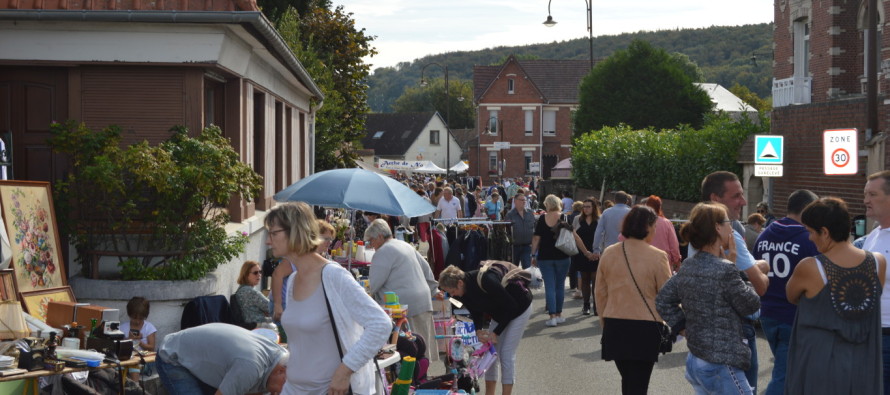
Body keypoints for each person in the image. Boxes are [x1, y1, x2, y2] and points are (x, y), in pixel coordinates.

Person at [266, 202, 391, 394]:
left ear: (294, 232)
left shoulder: (333, 276)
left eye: (273, 233)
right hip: (294, 389)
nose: (268, 241)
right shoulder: (292, 281)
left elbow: (380, 323)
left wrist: (345, 371)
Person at [656, 202, 761, 394]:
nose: (732, 226)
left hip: (697, 359)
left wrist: (682, 327)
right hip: (722, 365)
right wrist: (738, 270)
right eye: (728, 222)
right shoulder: (726, 269)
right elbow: (751, 305)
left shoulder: (689, 265)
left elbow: (663, 299)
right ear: (717, 227)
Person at [785, 198, 886, 394]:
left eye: (810, 232)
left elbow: (792, 295)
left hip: (819, 363)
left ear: (824, 232)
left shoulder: (810, 267)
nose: (809, 238)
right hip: (864, 361)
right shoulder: (878, 262)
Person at [699, 171, 769, 391]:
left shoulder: (696, 234)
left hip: (703, 333)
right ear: (715, 199)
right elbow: (760, 286)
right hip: (737, 332)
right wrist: (762, 267)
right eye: (736, 196)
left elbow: (667, 297)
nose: (744, 201)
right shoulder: (730, 234)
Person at [596, 205, 671, 394]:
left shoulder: (609, 252)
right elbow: (666, 295)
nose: (655, 231)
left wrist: (604, 321)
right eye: (654, 227)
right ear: (648, 226)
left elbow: (600, 292)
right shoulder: (658, 256)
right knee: (638, 384)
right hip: (645, 327)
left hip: (615, 323)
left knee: (628, 380)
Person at [752, 189, 819, 395]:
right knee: (784, 375)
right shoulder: (808, 238)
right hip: (794, 314)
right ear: (807, 210)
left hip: (767, 312)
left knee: (787, 369)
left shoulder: (764, 235)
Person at [439, 264, 532, 395]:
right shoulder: (463, 291)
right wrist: (478, 330)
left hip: (520, 308)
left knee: (506, 354)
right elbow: (475, 310)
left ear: (459, 283)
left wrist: (496, 332)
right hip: (499, 313)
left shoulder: (486, 280)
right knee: (490, 353)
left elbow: (512, 307)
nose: (452, 295)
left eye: (452, 291)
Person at [365, 218, 440, 360]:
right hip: (422, 300)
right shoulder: (404, 245)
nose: (371, 245)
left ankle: (415, 378)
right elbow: (426, 268)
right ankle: (423, 376)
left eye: (371, 241)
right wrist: (434, 289)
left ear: (380, 236)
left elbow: (373, 285)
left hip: (405, 306)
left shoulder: (382, 252)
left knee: (410, 349)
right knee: (423, 347)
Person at [157, 322, 289, 395]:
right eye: (286, 388)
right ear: (280, 371)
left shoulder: (280, 355)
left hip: (201, 353)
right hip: (173, 354)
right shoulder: (250, 368)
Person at [271, 220, 335, 322]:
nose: (329, 242)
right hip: (285, 305)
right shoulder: (299, 255)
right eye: (325, 238)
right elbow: (277, 275)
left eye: (330, 239)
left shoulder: (321, 257)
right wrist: (277, 305)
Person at [862, 170, 890, 394]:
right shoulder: (873, 236)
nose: (865, 201)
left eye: (872, 194)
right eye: (865, 194)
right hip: (871, 334)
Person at [531, 194, 572, 327]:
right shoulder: (564, 217)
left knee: (549, 287)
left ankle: (552, 316)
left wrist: (533, 255)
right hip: (563, 256)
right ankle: (559, 315)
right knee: (560, 286)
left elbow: (536, 238)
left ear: (547, 204)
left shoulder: (542, 218)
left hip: (545, 257)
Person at [574, 197, 601, 315]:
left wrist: (597, 252)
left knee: (596, 280)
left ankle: (596, 305)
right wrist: (586, 252)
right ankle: (586, 305)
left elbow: (602, 237)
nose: (585, 209)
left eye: (588, 206)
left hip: (596, 254)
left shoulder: (600, 220)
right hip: (582, 253)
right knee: (585, 279)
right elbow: (575, 237)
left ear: (594, 208)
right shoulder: (577, 219)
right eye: (584, 207)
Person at [120, 296, 157, 382]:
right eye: (134, 318)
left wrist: (140, 343)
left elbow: (152, 348)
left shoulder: (149, 328)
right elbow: (118, 346)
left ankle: (135, 389)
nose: (137, 321)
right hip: (126, 359)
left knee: (134, 365)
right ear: (130, 315)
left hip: (144, 362)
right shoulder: (123, 328)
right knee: (120, 366)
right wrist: (129, 339)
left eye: (141, 318)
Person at [592, 191, 632, 256]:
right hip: (625, 250)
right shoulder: (631, 213)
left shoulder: (606, 212)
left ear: (614, 200)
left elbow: (598, 231)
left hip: (608, 249)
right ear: (627, 201)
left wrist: (596, 248)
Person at [235, 260, 271, 327]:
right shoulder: (249, 291)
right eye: (255, 273)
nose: (259, 275)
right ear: (246, 275)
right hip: (257, 326)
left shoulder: (242, 289)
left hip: (255, 324)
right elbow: (270, 307)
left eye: (260, 272)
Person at [505, 193, 536, 269]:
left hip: (527, 246)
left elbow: (534, 227)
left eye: (525, 200)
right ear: (515, 201)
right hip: (515, 247)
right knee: (513, 270)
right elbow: (507, 231)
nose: (524, 202)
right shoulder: (510, 215)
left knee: (527, 269)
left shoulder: (530, 213)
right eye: (521, 200)